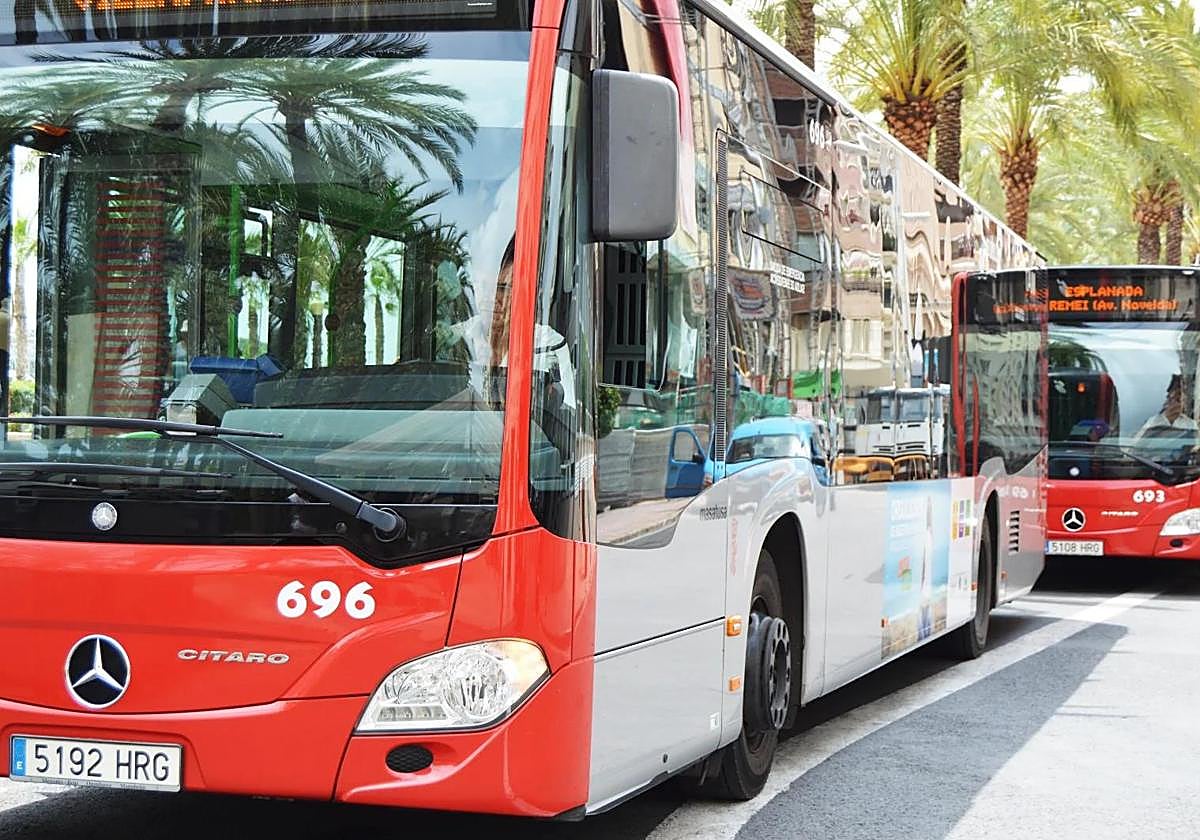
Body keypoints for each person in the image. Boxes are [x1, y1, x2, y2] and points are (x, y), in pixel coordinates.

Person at [1133, 374, 1197, 442]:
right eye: (1174, 397)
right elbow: (1135, 447)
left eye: (1180, 397)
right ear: (1168, 398)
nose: (1178, 401)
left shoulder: (1191, 424)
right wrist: (1166, 419)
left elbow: (1195, 447)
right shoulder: (1153, 422)